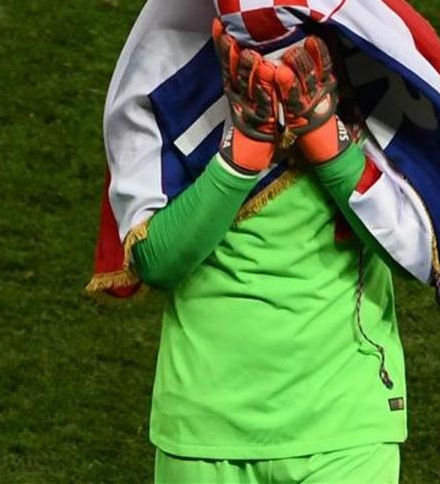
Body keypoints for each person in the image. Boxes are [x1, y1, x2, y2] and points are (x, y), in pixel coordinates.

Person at [130, 24, 415, 483]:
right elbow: (156, 262)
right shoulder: (172, 103)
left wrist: (327, 141)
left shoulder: (376, 107)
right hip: (205, 431)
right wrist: (240, 157)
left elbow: (415, 254)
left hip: (344, 430)